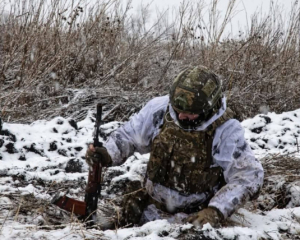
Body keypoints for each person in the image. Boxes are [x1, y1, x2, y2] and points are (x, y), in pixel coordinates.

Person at [85, 65, 264, 229]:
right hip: (150, 208)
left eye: (191, 113)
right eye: (179, 110)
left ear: (208, 107)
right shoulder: (160, 109)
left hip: (193, 219)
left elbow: (249, 175)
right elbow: (130, 136)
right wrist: (108, 153)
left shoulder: (225, 130)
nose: (182, 116)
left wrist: (215, 211)